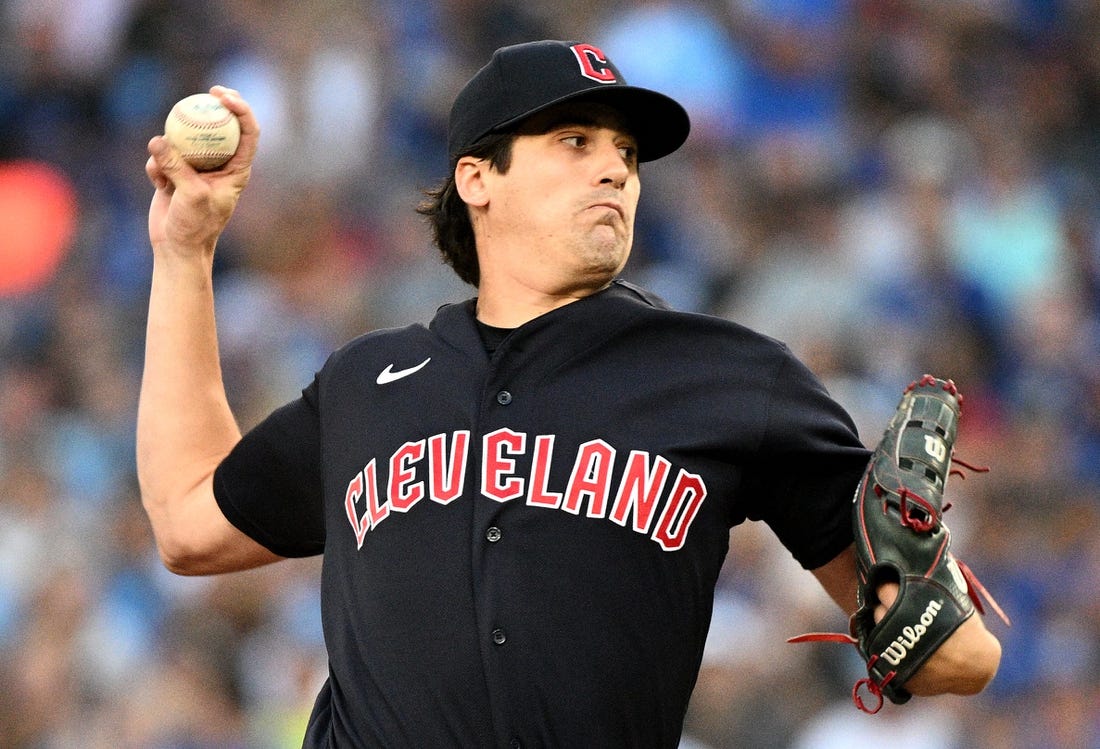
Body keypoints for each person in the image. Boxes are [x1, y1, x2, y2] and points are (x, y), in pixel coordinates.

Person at [138, 39, 1001, 748]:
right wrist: (186, 252)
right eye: (575, 142)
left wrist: (913, 605)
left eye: (625, 153)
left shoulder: (732, 376)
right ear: (478, 179)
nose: (615, 171)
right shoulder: (370, 383)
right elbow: (186, 522)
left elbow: (960, 659)